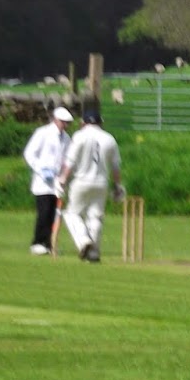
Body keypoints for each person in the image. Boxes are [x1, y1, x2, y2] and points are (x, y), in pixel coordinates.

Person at [56, 108, 123, 263]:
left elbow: (69, 162)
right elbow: (115, 167)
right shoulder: (109, 138)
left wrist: (62, 181)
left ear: (82, 123)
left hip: (81, 181)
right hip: (101, 183)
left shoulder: (79, 136)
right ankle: (94, 251)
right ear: (101, 123)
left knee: (72, 214)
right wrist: (118, 186)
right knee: (96, 216)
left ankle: (84, 242)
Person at [22, 105, 73, 255]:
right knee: (44, 212)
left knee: (54, 213)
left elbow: (67, 159)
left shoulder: (66, 138)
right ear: (56, 120)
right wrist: (41, 170)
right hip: (42, 181)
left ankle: (50, 244)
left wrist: (63, 177)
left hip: (57, 182)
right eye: (64, 122)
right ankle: (37, 243)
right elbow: (29, 153)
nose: (66, 125)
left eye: (68, 123)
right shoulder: (43, 133)